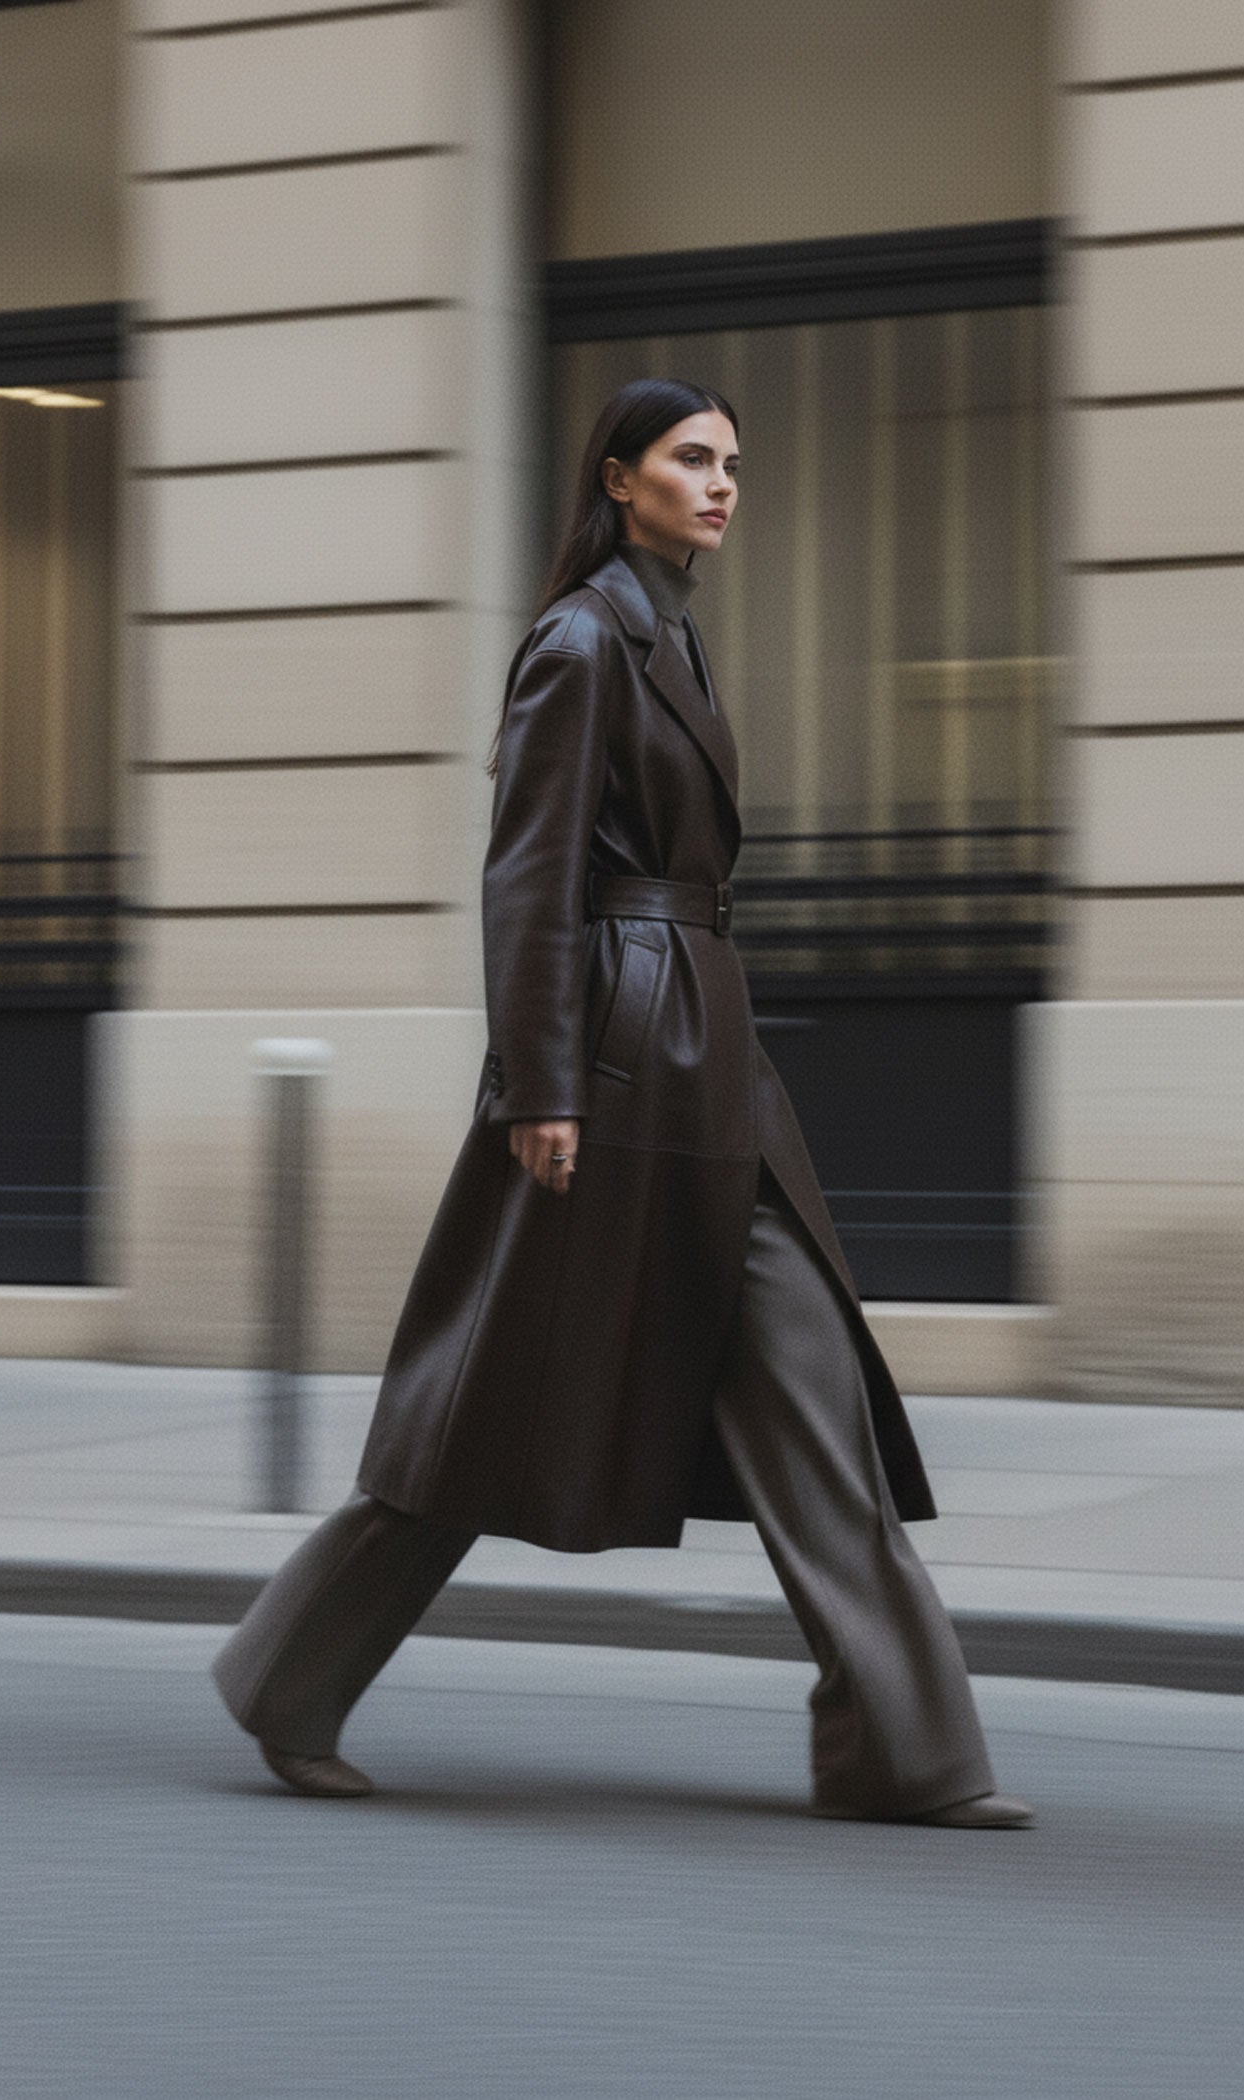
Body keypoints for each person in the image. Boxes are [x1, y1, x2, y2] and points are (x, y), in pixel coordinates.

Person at [212, 377, 1033, 1830]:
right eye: (691, 459)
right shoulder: (586, 639)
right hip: (612, 1064)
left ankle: (906, 1755)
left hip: (707, 1057)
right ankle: (288, 1680)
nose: (721, 485)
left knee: (813, 1392)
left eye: (733, 464)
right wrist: (541, 1085)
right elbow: (529, 875)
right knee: (489, 1395)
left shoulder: (670, 631)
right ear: (617, 477)